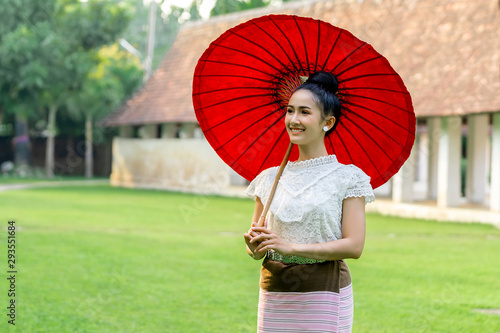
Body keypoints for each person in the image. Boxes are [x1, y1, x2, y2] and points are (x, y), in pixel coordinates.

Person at [243, 71, 375, 332]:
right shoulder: (268, 178)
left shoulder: (348, 178)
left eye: (304, 112)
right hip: (275, 289)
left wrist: (291, 248)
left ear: (328, 121)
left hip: (325, 289)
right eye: (290, 111)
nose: (293, 119)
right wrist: (253, 246)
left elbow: (354, 245)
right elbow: (257, 248)